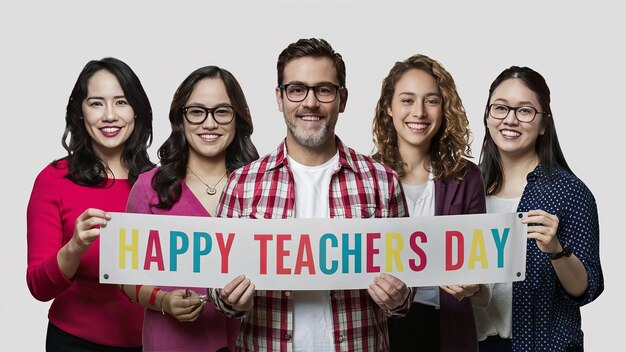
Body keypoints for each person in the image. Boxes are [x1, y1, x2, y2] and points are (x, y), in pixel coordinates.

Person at [208, 38, 414, 351]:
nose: (310, 102)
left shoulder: (382, 182)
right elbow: (215, 286)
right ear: (280, 98)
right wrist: (227, 299)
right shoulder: (242, 184)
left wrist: (398, 297)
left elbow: (407, 286)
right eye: (297, 89)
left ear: (342, 99)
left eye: (324, 89)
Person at [122, 65, 259, 351]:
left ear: (238, 118)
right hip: (172, 342)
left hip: (249, 340)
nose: (210, 124)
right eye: (197, 111)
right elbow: (127, 277)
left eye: (222, 111)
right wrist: (163, 300)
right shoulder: (149, 188)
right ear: (181, 119)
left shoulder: (260, 186)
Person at [26, 57, 154, 351]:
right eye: (96, 103)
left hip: (152, 341)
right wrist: (74, 246)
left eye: (121, 102)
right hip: (75, 342)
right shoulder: (53, 180)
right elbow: (38, 286)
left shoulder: (159, 182)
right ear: (80, 113)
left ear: (137, 111)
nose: (110, 115)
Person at [473, 66, 603, 351]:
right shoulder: (467, 190)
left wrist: (556, 249)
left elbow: (587, 288)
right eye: (500, 108)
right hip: (476, 343)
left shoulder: (569, 192)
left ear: (544, 123)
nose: (510, 119)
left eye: (525, 111)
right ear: (487, 116)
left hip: (541, 344)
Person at [372, 54, 487, 352]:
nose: (419, 112)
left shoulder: (467, 178)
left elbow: (483, 277)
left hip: (445, 327)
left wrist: (474, 286)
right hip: (378, 326)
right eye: (407, 100)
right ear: (389, 108)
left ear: (443, 108)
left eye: (431, 100)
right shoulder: (365, 175)